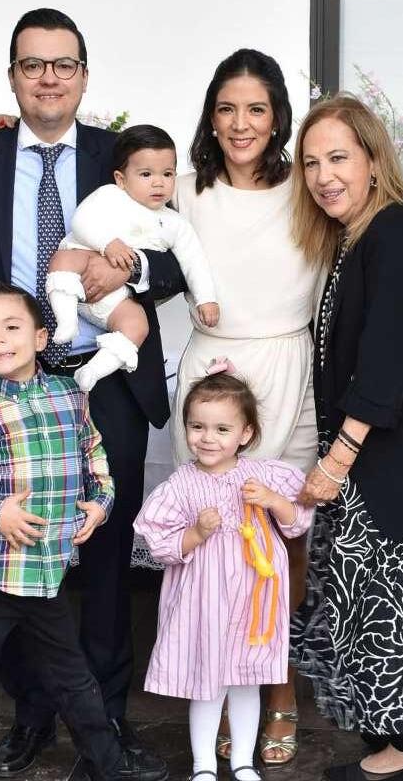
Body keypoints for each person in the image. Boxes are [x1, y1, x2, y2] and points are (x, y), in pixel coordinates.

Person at [0, 11, 180, 776]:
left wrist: (130, 269)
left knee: (102, 556)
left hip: (103, 380)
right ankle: (31, 712)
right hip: (9, 389)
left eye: (63, 64)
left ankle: (105, 718)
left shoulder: (119, 156)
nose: (48, 77)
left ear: (84, 75)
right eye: (32, 64)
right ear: (11, 76)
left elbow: (176, 255)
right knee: (14, 553)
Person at [287, 94, 403, 781]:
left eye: (338, 157)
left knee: (394, 606)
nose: (323, 176)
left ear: (373, 159)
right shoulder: (353, 237)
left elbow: (386, 357)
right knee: (385, 600)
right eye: (311, 163)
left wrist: (336, 460)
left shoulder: (393, 229)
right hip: (384, 462)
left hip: (402, 469)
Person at [0, 279, 166, 781]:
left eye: (11, 327)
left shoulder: (70, 395)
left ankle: (108, 767)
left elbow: (94, 455)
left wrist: (100, 504)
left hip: (43, 576)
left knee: (75, 681)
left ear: (40, 338)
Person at [169, 48, 319, 766]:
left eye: (256, 108)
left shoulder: (307, 189)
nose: (240, 123)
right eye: (226, 108)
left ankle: (277, 688)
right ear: (209, 115)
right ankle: (225, 692)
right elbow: (110, 214)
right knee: (215, 542)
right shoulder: (183, 191)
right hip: (212, 374)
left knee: (285, 540)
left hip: (290, 370)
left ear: (278, 116)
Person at [134, 370, 313, 781]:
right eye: (197, 426)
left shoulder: (263, 476)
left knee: (246, 681)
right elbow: (160, 541)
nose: (207, 438)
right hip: (205, 601)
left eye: (221, 429)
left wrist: (272, 500)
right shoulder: (181, 484)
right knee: (208, 683)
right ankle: (204, 765)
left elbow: (296, 522)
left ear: (245, 434)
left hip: (251, 600)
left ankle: (243, 761)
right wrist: (196, 533)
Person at [47, 123, 218, 392]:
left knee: (138, 326)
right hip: (78, 275)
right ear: (121, 179)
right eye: (146, 174)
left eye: (168, 174)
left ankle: (93, 371)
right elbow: (81, 220)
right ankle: (67, 321)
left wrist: (206, 298)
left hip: (117, 300)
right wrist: (107, 244)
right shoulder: (110, 196)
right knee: (62, 259)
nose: (159, 182)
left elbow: (193, 261)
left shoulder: (175, 223)